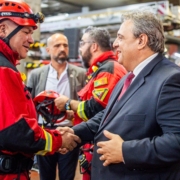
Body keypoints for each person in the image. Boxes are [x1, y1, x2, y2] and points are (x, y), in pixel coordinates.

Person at [59, 11, 180, 180]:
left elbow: (177, 140)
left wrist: (125, 151)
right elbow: (108, 115)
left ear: (141, 41)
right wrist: (75, 133)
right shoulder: (127, 78)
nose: (115, 44)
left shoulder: (170, 79)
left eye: (121, 37)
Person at [0, 1, 80, 180]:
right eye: (26, 32)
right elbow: (15, 132)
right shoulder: (4, 70)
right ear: (3, 30)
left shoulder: (8, 67)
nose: (31, 39)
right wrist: (58, 139)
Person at [55, 26, 127, 180]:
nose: (80, 49)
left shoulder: (108, 70)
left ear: (93, 46)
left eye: (82, 43)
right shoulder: (102, 69)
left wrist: (68, 103)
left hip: (101, 147)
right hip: (93, 144)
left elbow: (97, 109)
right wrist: (73, 114)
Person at [27, 33, 86, 180]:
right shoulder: (36, 75)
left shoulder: (80, 74)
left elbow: (86, 103)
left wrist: (75, 115)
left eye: (65, 45)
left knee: (67, 175)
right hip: (44, 132)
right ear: (48, 50)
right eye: (57, 45)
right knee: (46, 175)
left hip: (70, 132)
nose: (62, 49)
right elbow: (29, 106)